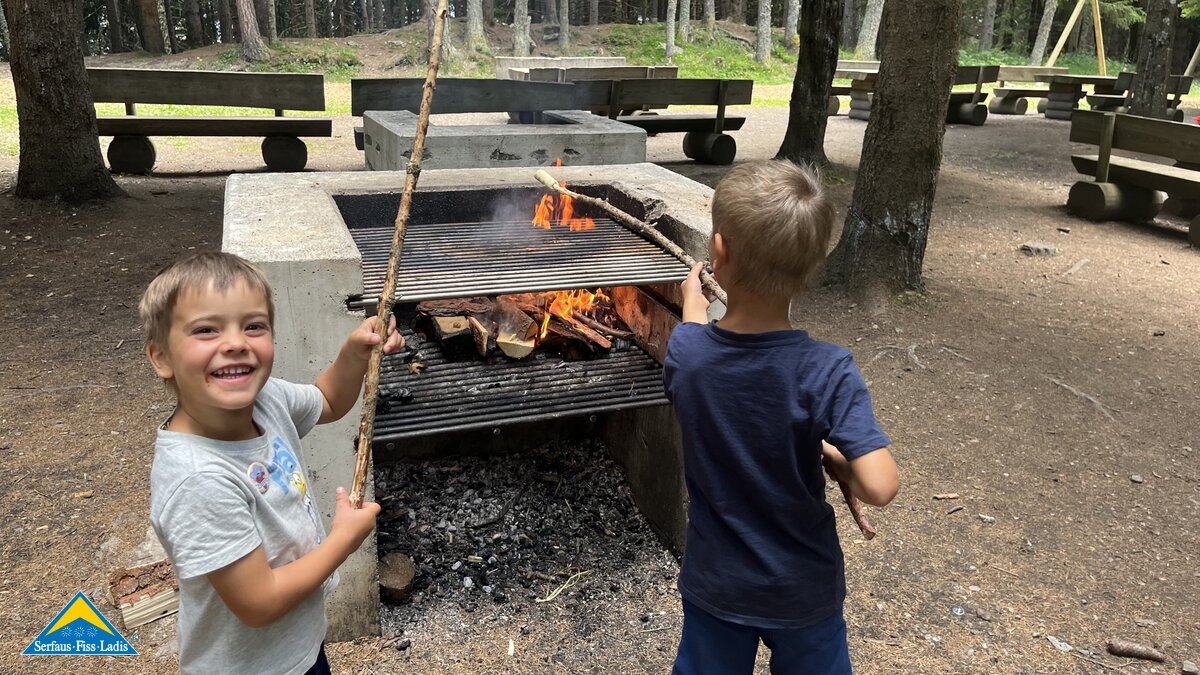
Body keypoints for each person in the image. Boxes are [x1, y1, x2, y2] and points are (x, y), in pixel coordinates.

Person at [664, 160, 900, 674]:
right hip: (802, 589)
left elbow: (694, 339)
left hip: (718, 585)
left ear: (719, 253)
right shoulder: (827, 369)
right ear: (814, 266)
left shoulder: (688, 354)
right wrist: (834, 455)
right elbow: (880, 486)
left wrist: (691, 301)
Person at [140, 251, 402, 675]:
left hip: (296, 647)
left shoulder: (268, 400)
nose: (235, 343)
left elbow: (329, 400)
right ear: (162, 358)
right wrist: (342, 542)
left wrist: (355, 352)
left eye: (254, 326)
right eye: (206, 330)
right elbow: (259, 604)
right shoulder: (198, 479)